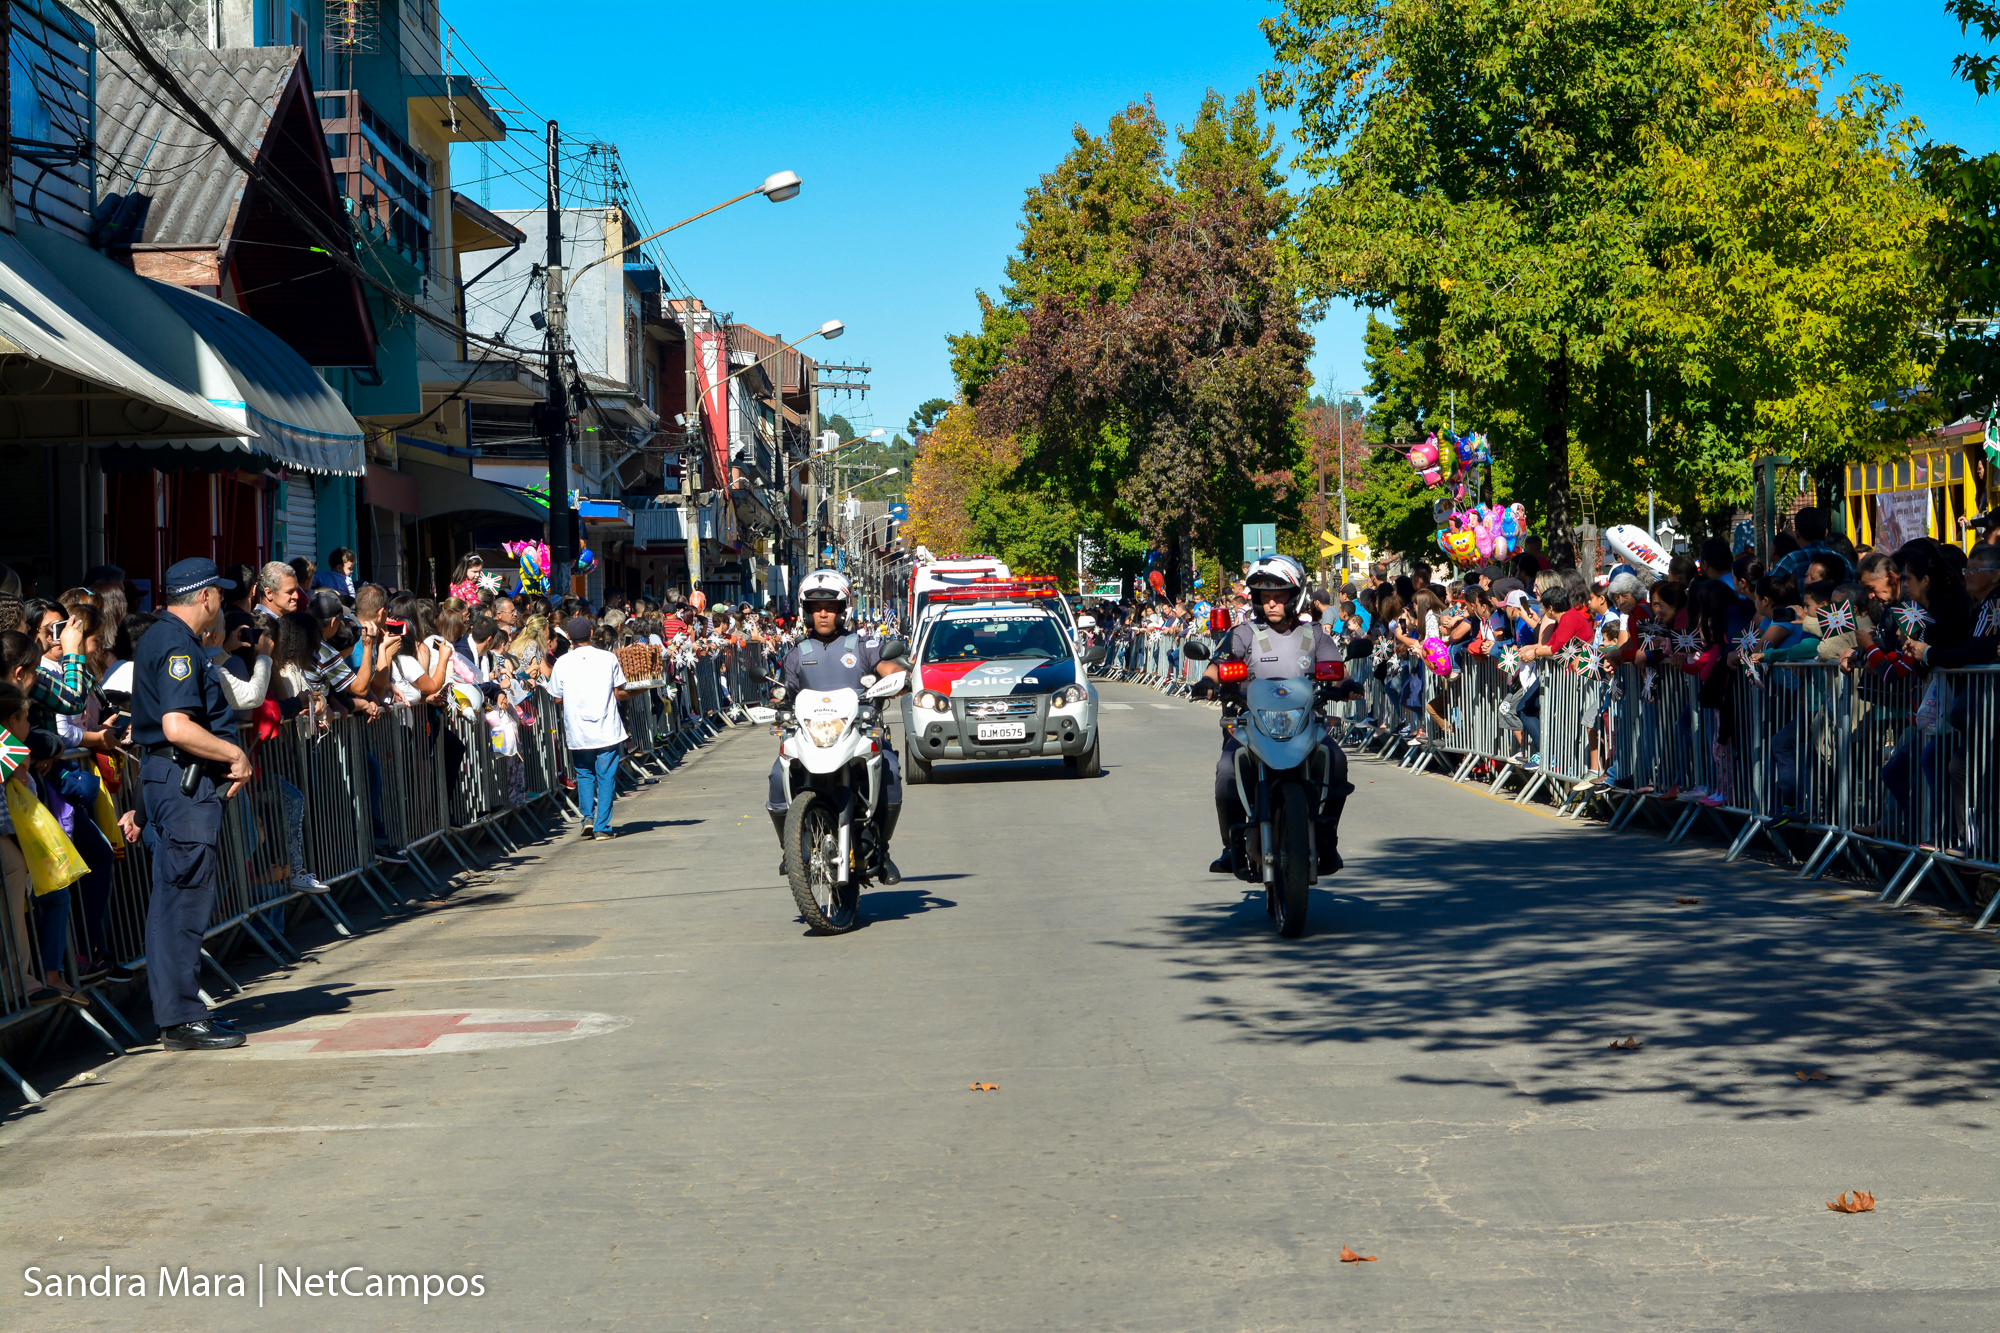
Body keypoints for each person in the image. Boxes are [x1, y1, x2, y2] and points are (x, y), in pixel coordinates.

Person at [129, 559, 255, 1051]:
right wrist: (234, 754)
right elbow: (175, 729)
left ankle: (182, 1012)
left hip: (177, 785)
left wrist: (142, 809)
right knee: (181, 905)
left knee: (181, 900)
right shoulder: (176, 644)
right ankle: (180, 1018)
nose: (223, 603)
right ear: (203, 597)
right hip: (183, 789)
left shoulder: (173, 641)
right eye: (219, 595)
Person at [1191, 554, 1352, 877]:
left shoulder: (1315, 635)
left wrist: (1349, 684)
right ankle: (1231, 846)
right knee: (1226, 771)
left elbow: (1338, 672)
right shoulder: (1243, 633)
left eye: (1279, 597)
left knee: (1336, 761)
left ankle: (1327, 839)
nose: (1272, 605)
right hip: (1251, 724)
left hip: (1305, 725)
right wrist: (1208, 680)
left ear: (1295, 597)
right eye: (1266, 598)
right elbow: (1220, 662)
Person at [765, 569, 907, 884]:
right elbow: (783, 694)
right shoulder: (796, 655)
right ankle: (790, 848)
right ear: (807, 612)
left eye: (829, 607)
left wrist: (899, 678)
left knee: (892, 769)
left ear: (843, 609)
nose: (823, 613)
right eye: (816, 608)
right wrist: (775, 704)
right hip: (813, 736)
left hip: (859, 731)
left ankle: (881, 849)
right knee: (778, 774)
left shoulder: (862, 645)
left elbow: (890, 668)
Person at [545, 615, 630, 839]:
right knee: (606, 777)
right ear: (591, 634)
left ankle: (588, 818)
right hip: (605, 727)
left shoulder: (562, 662)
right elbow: (619, 688)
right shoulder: (607, 657)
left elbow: (555, 697)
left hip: (578, 728)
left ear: (570, 637)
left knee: (584, 774)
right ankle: (602, 825)